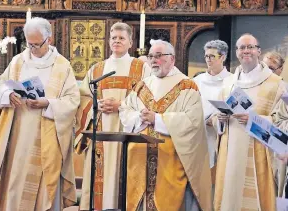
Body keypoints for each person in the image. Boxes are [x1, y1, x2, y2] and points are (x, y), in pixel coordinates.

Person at [0, 17, 80, 210]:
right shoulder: (18, 61)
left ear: (49, 40)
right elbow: (0, 88)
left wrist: (47, 103)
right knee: (15, 177)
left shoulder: (62, 66)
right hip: (17, 134)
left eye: (37, 44)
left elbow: (72, 101)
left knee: (45, 179)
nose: (33, 49)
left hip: (46, 131)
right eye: (29, 44)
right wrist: (8, 94)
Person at [119, 39, 212, 211]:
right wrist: (139, 116)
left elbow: (193, 121)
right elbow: (125, 110)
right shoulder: (142, 85)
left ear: (172, 59)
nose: (153, 60)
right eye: (151, 56)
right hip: (139, 160)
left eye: (159, 56)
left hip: (168, 161)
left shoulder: (187, 86)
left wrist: (158, 119)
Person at [75, 22, 151, 211]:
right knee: (101, 174)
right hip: (102, 127)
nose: (117, 41)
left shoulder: (141, 68)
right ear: (109, 41)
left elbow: (148, 98)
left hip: (128, 130)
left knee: (122, 172)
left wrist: (122, 106)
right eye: (114, 38)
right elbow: (83, 97)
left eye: (122, 38)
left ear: (130, 43)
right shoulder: (97, 69)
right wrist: (96, 104)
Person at [213, 33, 288, 211]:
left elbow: (282, 121)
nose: (246, 51)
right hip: (230, 151)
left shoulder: (276, 83)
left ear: (258, 51)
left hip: (260, 151)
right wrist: (220, 120)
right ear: (236, 52)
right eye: (241, 47)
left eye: (250, 47)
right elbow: (218, 115)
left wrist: (255, 120)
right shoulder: (228, 83)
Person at [193, 40, 232, 172]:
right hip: (199, 135)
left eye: (212, 56)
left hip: (223, 136)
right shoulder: (196, 81)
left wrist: (216, 120)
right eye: (206, 56)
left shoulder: (233, 81)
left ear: (223, 57)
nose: (208, 60)